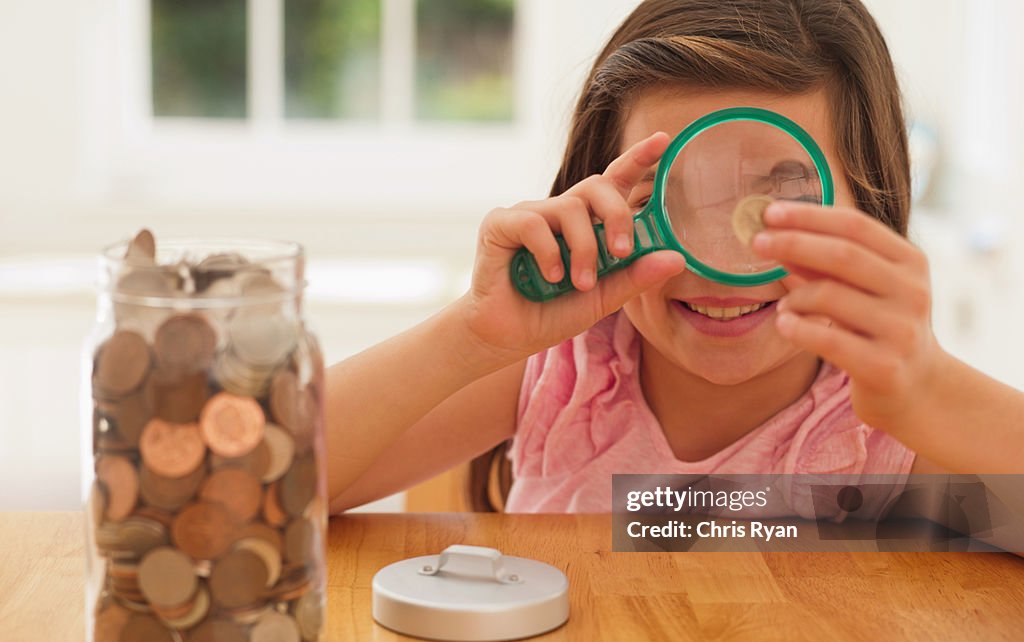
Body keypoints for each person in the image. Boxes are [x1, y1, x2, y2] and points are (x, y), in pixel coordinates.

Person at [324, 0, 1024, 515]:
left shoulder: (892, 422)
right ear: (596, 199)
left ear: (868, 209)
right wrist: (468, 338)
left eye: (779, 198)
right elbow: (253, 493)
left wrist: (933, 392)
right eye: (670, 194)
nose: (714, 258)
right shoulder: (566, 372)